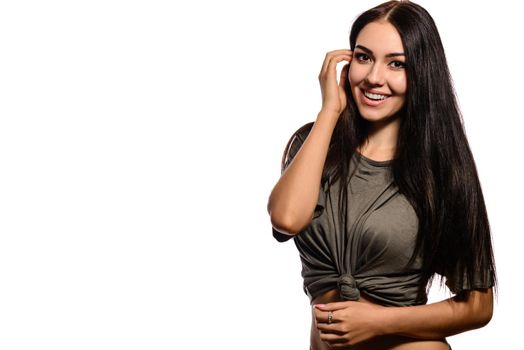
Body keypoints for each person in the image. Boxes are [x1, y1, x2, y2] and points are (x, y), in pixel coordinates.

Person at [267, 1, 496, 349]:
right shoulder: (314, 143)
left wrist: (378, 321)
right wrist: (329, 111)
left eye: (396, 64)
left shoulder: (442, 170)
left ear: (422, 72)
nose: (374, 77)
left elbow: (478, 306)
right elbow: (286, 218)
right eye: (363, 57)